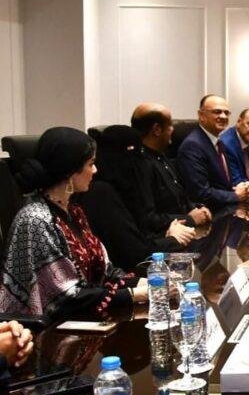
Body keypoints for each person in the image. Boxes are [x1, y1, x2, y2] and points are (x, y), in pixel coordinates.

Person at [0, 127, 147, 320]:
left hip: (81, 318)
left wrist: (147, 283)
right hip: (43, 329)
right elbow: (64, 297)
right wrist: (134, 295)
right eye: (91, 164)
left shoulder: (73, 212)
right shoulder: (35, 220)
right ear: (70, 171)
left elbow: (105, 272)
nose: (95, 170)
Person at [78, 125, 194, 271]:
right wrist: (173, 239)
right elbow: (135, 254)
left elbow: (139, 236)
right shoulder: (101, 193)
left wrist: (167, 235)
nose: (141, 161)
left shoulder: (121, 187)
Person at [130, 103, 211, 232]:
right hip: (166, 237)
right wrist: (190, 219)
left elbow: (180, 196)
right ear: (157, 130)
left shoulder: (162, 156)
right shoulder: (140, 164)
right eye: (170, 125)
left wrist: (198, 208)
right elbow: (148, 219)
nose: (173, 130)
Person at [177, 95, 249, 208]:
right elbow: (200, 193)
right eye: (217, 112)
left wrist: (244, 188)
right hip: (209, 212)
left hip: (227, 208)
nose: (223, 116)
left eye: (226, 113)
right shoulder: (193, 145)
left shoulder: (219, 142)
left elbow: (223, 184)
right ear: (201, 115)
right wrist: (236, 196)